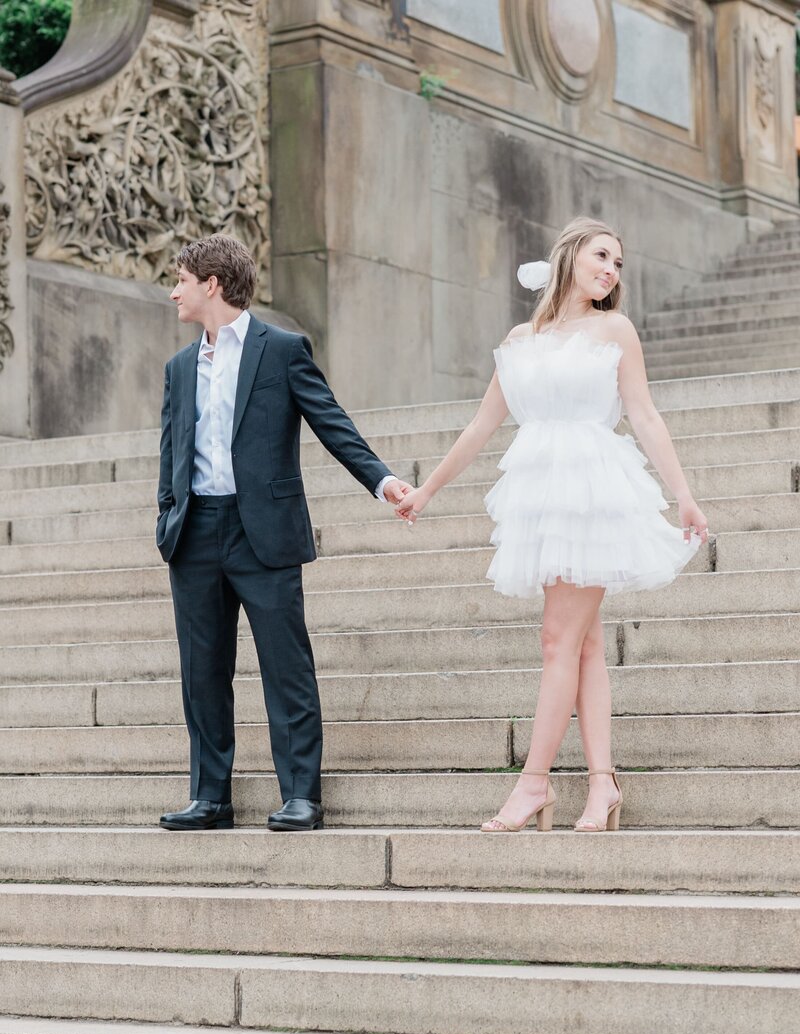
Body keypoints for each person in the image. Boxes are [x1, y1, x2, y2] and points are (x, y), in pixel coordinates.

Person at [395, 216, 709, 833]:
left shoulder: (615, 329)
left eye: (619, 264)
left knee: (557, 642)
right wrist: (427, 490)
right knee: (584, 645)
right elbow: (482, 424)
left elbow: (643, 415)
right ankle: (602, 786)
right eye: (602, 256)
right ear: (569, 255)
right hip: (540, 497)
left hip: (592, 491)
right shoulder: (521, 338)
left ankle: (533, 785)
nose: (611, 271)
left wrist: (684, 496)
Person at [156, 234, 411, 832]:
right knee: (202, 671)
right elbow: (171, 449)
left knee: (285, 664)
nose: (174, 291)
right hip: (194, 534)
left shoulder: (282, 350)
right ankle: (211, 797)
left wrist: (383, 481)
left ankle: (301, 794)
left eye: (182, 280)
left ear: (211, 284)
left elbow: (331, 420)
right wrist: (167, 516)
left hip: (262, 531)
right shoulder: (178, 367)